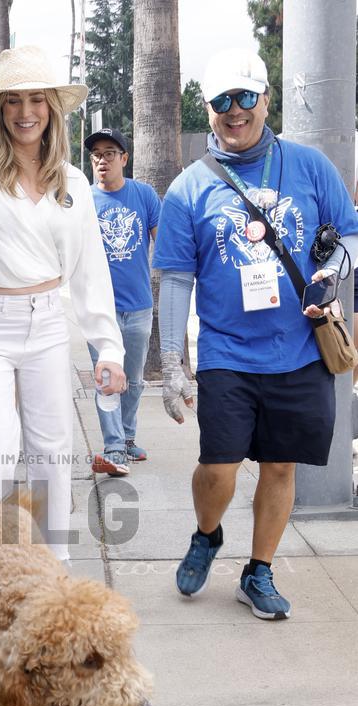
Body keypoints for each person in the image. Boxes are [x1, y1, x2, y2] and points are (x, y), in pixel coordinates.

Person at [153, 47, 358, 620]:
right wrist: (172, 360)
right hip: (227, 352)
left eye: (245, 96)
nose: (234, 110)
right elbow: (176, 279)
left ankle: (258, 570)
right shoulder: (188, 188)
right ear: (208, 108)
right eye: (222, 100)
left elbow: (350, 234)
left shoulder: (310, 166)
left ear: (266, 99)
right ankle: (206, 534)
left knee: (281, 466)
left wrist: (332, 271)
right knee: (218, 467)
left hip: (300, 349)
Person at [0, 46, 126, 563]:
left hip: (49, 323)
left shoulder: (73, 182)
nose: (25, 112)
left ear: (52, 107)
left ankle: (53, 569)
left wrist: (108, 348)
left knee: (52, 451)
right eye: (13, 100)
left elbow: (89, 270)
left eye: (36, 100)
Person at [84, 128, 161, 477]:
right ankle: (113, 446)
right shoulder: (84, 201)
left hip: (139, 306)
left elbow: (164, 241)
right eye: (97, 154)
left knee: (133, 379)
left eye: (110, 153)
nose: (102, 160)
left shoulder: (143, 195)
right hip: (99, 310)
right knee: (106, 379)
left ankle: (127, 438)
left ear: (124, 159)